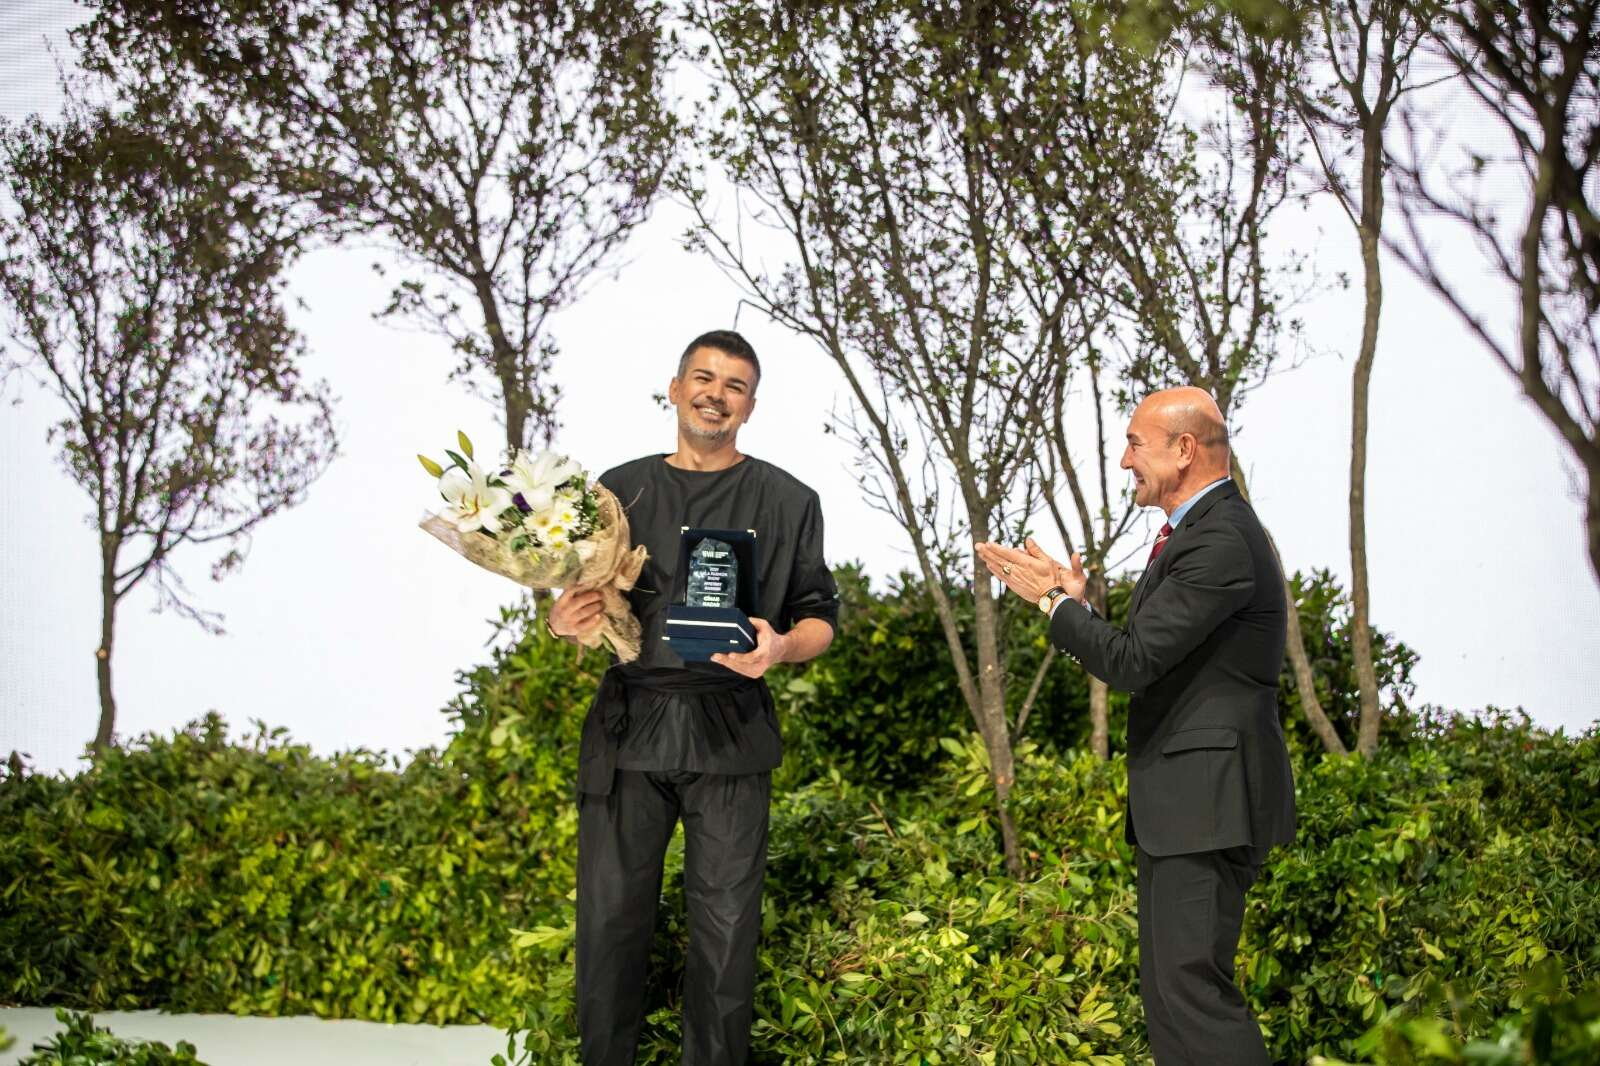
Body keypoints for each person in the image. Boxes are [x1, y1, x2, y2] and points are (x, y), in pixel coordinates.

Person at [975, 386, 1295, 1066]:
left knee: (1192, 996)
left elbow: (1132, 662)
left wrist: (1055, 603)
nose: (1125, 461)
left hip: (1208, 804)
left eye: (1134, 445)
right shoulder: (1203, 534)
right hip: (1189, 806)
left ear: (1184, 449)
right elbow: (1150, 651)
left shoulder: (1221, 539)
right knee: (1173, 999)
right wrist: (1076, 604)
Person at [546, 329, 839, 1066]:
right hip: (630, 726)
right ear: (675, 390)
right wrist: (561, 619)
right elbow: (579, 598)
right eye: (703, 379)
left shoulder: (789, 500)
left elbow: (820, 617)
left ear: (751, 406)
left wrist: (780, 647)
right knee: (608, 927)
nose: (716, 395)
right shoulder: (617, 490)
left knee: (726, 935)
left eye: (735, 386)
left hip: (730, 728)